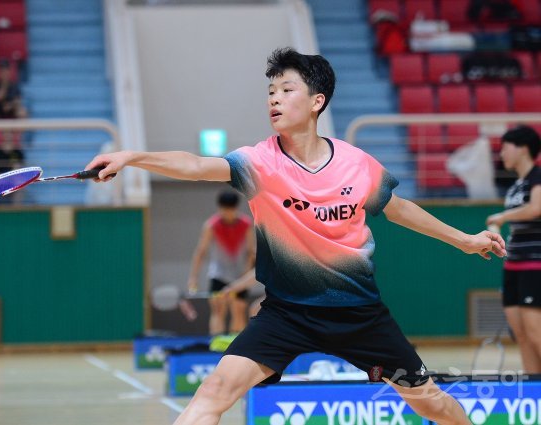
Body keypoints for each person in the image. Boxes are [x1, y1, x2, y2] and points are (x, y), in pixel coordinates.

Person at [85, 47, 506, 425]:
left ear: (316, 101)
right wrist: (132, 157)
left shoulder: (357, 164)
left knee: (428, 402)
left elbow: (399, 209)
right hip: (286, 315)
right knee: (214, 392)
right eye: (271, 92)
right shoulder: (259, 163)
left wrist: (464, 240)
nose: (274, 99)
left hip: (359, 317)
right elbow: (195, 165)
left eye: (287, 90)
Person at [486, 126, 541, 373]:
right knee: (522, 336)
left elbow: (536, 208)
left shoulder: (537, 176)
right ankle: (534, 388)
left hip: (534, 265)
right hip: (513, 266)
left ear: (523, 149)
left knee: (536, 333)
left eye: (505, 148)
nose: (501, 154)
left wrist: (502, 216)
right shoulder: (516, 186)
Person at [187, 190, 255, 335]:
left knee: (238, 310)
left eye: (231, 209)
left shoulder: (246, 224)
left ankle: (236, 345)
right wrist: (193, 277)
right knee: (218, 310)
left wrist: (246, 274)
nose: (227, 213)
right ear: (219, 207)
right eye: (224, 209)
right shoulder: (211, 225)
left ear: (236, 208)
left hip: (240, 276)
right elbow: (201, 251)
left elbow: (251, 252)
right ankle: (216, 345)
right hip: (218, 275)